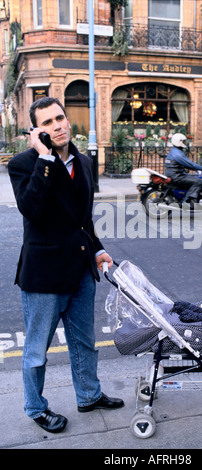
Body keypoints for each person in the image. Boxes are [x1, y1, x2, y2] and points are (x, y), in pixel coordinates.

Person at [8, 97, 124, 434]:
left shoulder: (84, 162)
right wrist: (45, 160)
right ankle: (35, 407)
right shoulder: (23, 164)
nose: (57, 125)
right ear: (37, 131)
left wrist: (97, 249)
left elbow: (82, 218)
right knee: (37, 350)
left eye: (60, 118)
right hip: (44, 275)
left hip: (81, 269)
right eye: (47, 123)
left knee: (84, 340)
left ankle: (89, 394)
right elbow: (32, 209)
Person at [165, 133, 202, 206]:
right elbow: (190, 164)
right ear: (179, 141)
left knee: (193, 177)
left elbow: (187, 164)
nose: (185, 143)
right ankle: (187, 201)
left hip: (174, 174)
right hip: (177, 177)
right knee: (198, 181)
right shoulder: (178, 153)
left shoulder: (174, 151)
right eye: (183, 141)